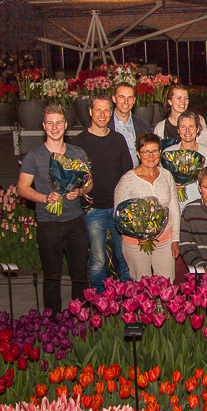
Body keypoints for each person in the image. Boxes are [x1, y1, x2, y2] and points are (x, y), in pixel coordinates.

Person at [17, 105, 91, 313]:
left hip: (75, 222)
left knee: (79, 274)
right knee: (51, 276)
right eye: (50, 123)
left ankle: (81, 315)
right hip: (48, 224)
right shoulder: (34, 156)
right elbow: (22, 188)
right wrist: (44, 197)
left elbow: (89, 182)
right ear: (44, 126)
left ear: (66, 125)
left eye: (59, 122)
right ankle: (52, 322)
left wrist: (80, 191)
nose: (55, 127)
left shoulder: (77, 153)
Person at [69, 94, 133, 292]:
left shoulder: (118, 139)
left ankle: (128, 300)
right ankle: (97, 302)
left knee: (125, 258)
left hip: (117, 208)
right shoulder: (79, 142)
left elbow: (127, 172)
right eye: (98, 110)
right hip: (93, 209)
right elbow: (75, 176)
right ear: (90, 112)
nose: (102, 114)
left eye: (106, 110)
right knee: (97, 260)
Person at [114, 132, 180, 281]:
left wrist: (175, 240)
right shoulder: (127, 180)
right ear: (138, 154)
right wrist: (137, 234)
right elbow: (119, 215)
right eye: (146, 152)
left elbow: (174, 209)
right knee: (141, 286)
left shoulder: (166, 175)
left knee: (166, 285)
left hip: (165, 240)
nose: (151, 156)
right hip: (136, 244)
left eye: (155, 151)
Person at [163, 110, 207, 210]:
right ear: (178, 130)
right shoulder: (168, 154)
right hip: (176, 206)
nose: (187, 131)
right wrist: (171, 185)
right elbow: (161, 182)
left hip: (202, 206)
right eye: (183, 127)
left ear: (197, 129)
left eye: (191, 127)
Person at [108, 81, 152, 167]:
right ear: (114, 99)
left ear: (134, 100)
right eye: (121, 97)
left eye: (130, 98)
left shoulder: (143, 125)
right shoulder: (105, 124)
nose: (126, 101)